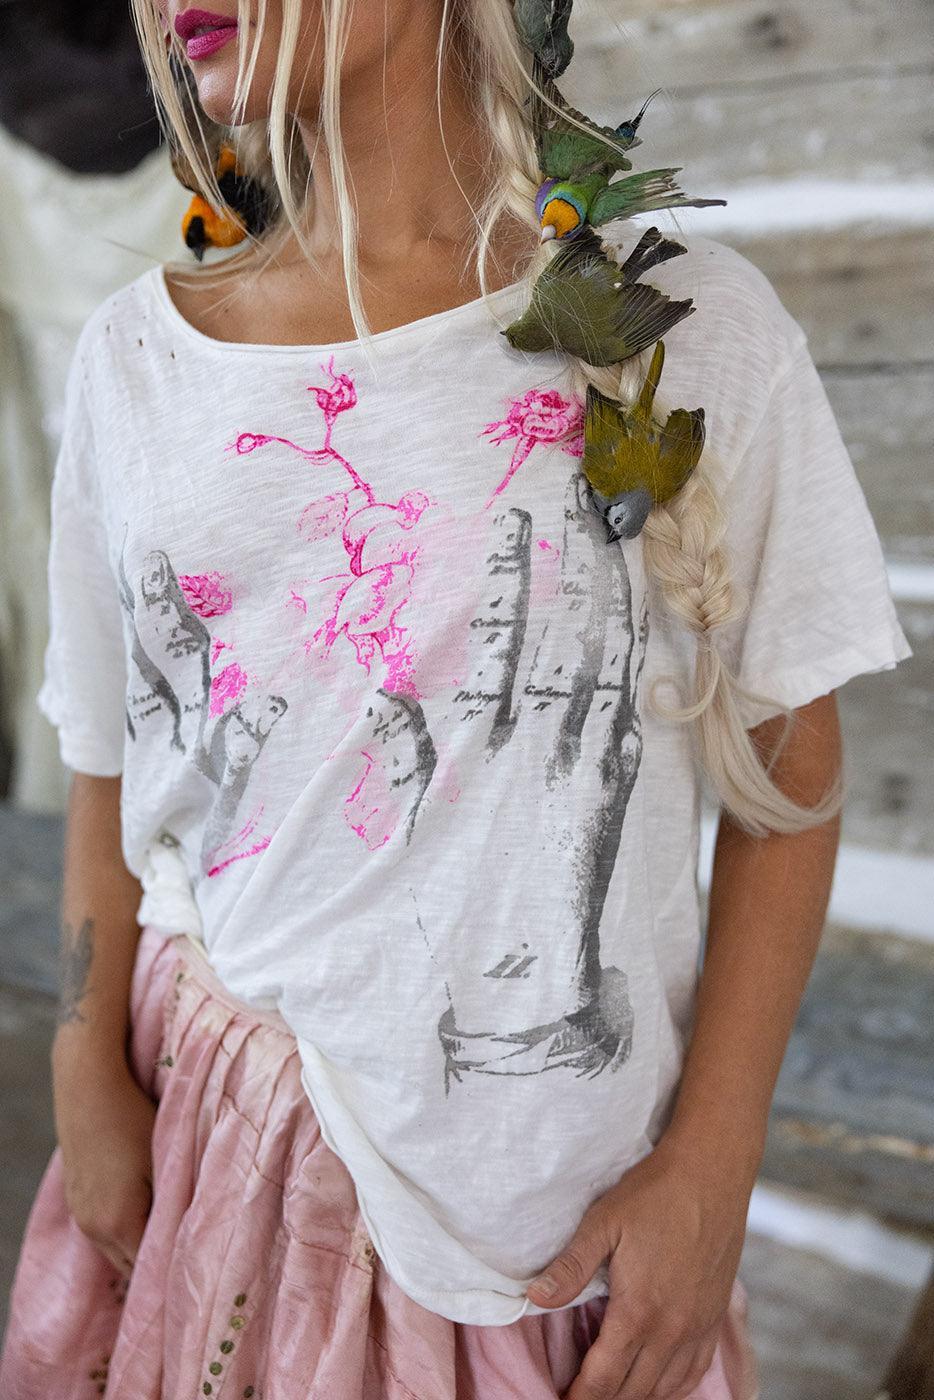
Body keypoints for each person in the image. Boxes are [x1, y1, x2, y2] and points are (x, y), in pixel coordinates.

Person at [0, 1, 911, 1397]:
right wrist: (84, 1067)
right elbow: (110, 741)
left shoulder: (685, 327)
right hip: (223, 1150)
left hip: (548, 1218)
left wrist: (714, 1162)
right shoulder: (142, 359)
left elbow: (791, 760)